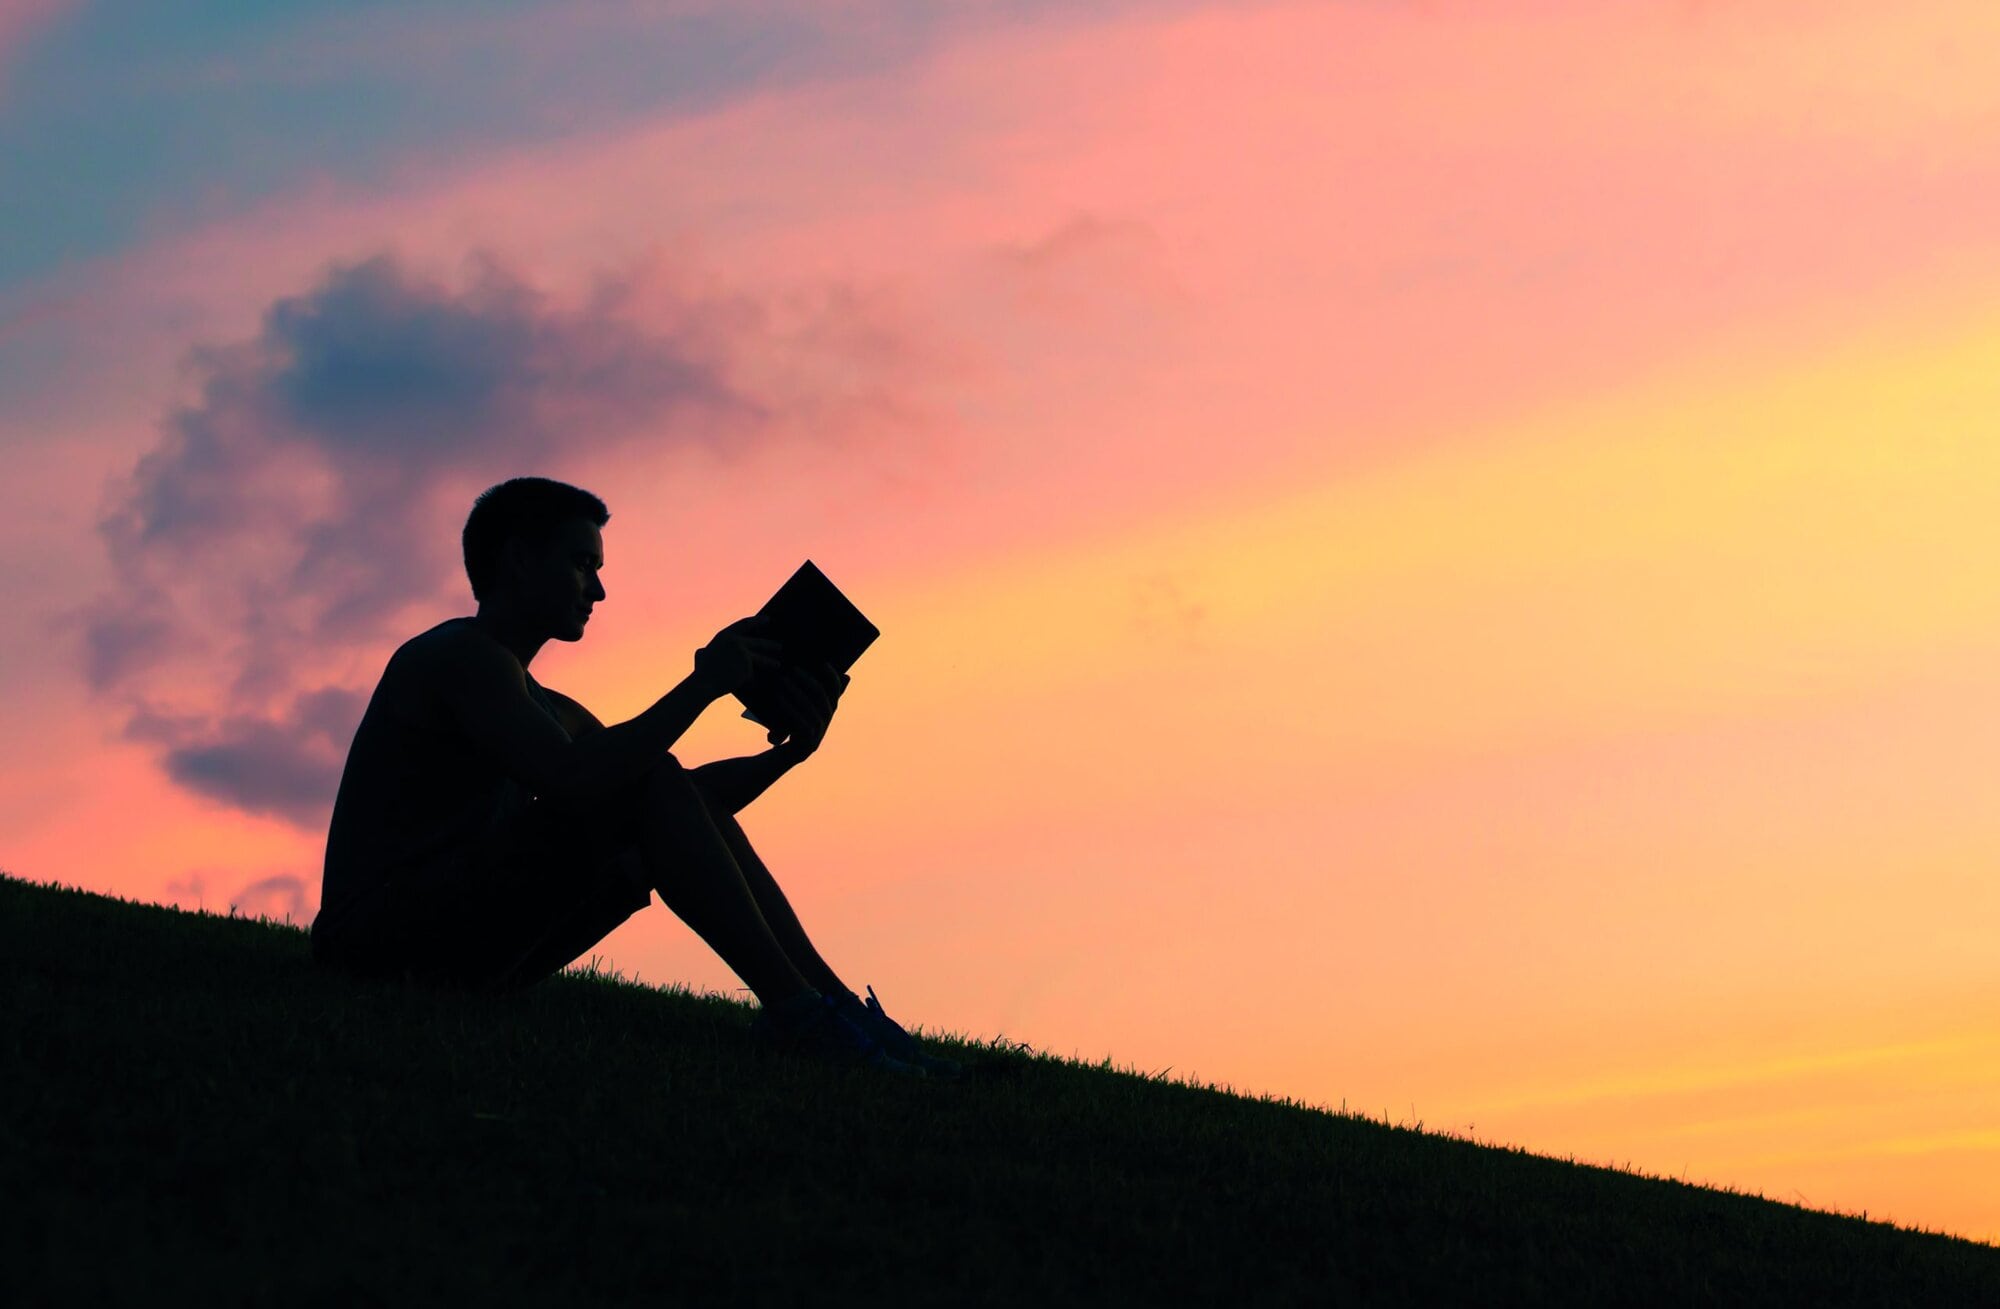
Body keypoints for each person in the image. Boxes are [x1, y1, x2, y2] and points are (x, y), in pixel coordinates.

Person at [309, 476, 955, 1078]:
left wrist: (787, 755)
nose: (597, 590)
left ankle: (833, 1008)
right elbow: (575, 779)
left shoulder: (538, 700)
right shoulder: (460, 658)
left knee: (651, 779)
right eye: (581, 564)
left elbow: (678, 806)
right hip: (377, 949)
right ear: (518, 561)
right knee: (643, 776)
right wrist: (701, 686)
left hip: (445, 944)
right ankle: (803, 1015)